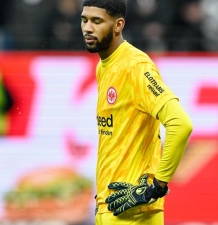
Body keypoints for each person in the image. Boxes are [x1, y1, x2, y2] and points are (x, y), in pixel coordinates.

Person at [80, 0, 193, 224]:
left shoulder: (136, 67)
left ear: (118, 25)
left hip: (135, 210)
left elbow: (181, 124)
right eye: (84, 20)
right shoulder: (103, 66)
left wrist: (156, 186)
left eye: (97, 21)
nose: (87, 28)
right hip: (110, 206)